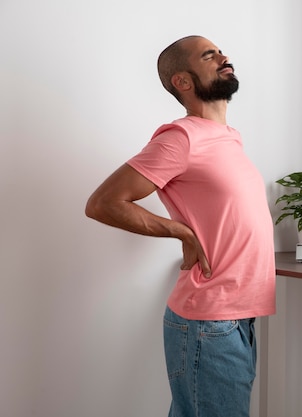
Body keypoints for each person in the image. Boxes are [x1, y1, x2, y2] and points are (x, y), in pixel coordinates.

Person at [85, 35, 276, 417]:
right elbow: (104, 203)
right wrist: (180, 231)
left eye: (221, 51)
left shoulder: (228, 139)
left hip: (236, 317)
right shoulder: (182, 138)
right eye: (209, 55)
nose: (224, 56)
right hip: (211, 322)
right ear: (183, 82)